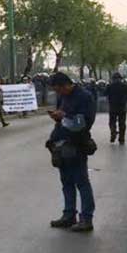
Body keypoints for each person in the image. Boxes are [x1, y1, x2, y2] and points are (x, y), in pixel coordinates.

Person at [47, 72, 96, 233]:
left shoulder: (84, 97)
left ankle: (86, 218)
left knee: (81, 182)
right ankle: (69, 215)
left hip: (76, 144)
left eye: (59, 90)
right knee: (66, 182)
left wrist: (64, 116)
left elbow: (82, 124)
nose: (58, 94)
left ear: (66, 85)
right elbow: (63, 121)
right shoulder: (63, 97)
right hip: (61, 144)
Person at [105, 72, 127, 144]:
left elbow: (105, 93)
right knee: (122, 123)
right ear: (120, 78)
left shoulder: (110, 86)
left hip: (112, 107)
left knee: (112, 122)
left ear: (113, 78)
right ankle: (121, 139)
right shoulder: (125, 86)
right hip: (122, 107)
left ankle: (113, 132)